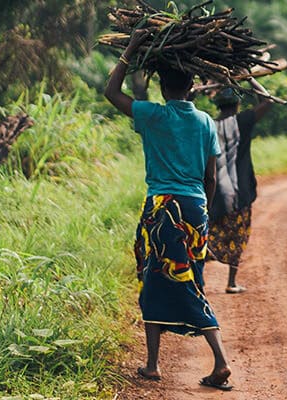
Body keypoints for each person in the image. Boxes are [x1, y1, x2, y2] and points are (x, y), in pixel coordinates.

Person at [104, 32, 233, 391]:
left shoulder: (153, 116)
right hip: (195, 209)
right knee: (181, 278)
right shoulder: (206, 122)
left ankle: (218, 362)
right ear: (192, 85)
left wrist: (129, 50)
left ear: (162, 87)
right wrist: (201, 211)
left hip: (163, 209)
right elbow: (211, 176)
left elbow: (111, 93)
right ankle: (152, 364)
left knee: (163, 280)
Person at [207, 82, 275, 294]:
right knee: (238, 234)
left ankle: (199, 282)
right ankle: (231, 282)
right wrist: (251, 79)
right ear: (237, 103)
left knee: (208, 234)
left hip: (214, 192)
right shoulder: (243, 121)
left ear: (218, 105)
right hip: (239, 191)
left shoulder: (208, 124)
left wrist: (192, 91)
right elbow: (267, 101)